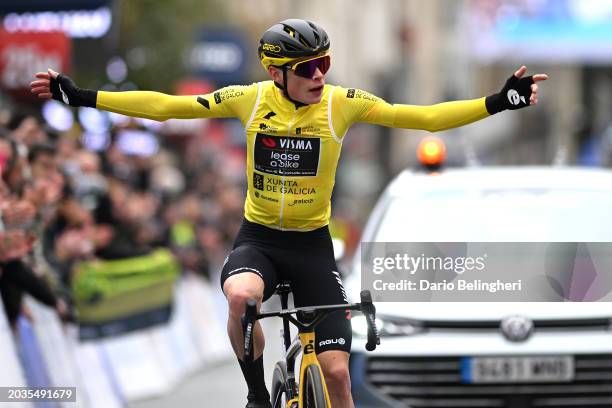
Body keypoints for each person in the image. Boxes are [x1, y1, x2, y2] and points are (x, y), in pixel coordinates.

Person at [31, 18, 547, 408]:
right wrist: (81, 96)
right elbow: (168, 107)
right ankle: (257, 392)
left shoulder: (342, 104)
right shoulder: (248, 100)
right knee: (241, 296)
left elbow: (425, 117)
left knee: (339, 374)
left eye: (326, 63)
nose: (320, 74)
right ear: (276, 72)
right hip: (260, 239)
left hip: (312, 245)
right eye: (307, 68)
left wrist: (499, 101)